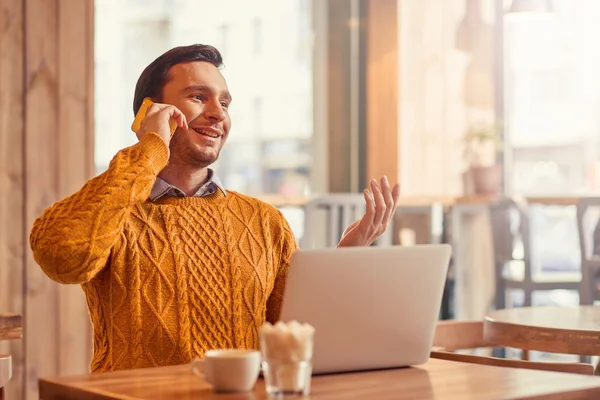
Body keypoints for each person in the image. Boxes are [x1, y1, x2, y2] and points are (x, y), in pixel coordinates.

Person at [29, 44, 400, 373]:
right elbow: (62, 257)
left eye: (224, 102)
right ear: (150, 112)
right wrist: (149, 150)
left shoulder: (264, 220)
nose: (217, 113)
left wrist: (347, 254)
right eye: (198, 97)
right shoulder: (115, 211)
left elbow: (296, 335)